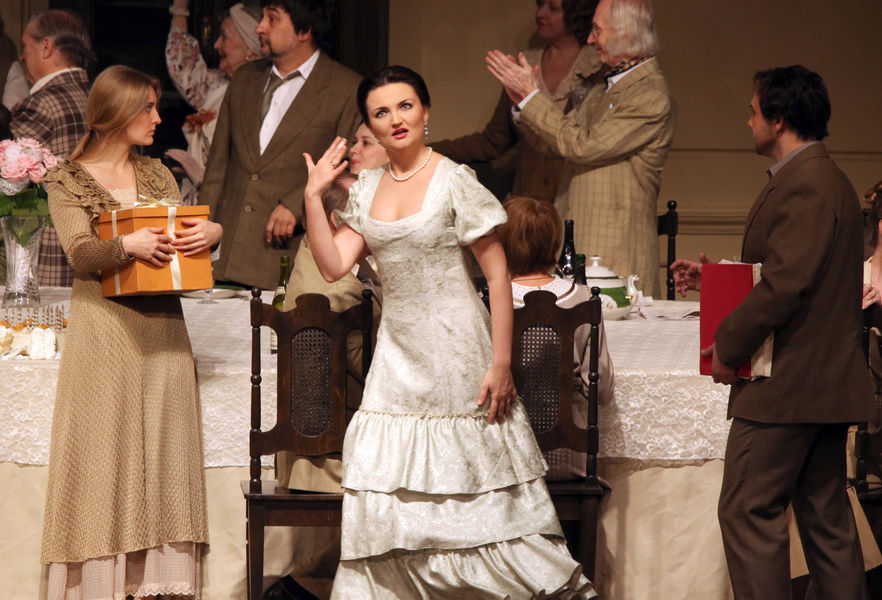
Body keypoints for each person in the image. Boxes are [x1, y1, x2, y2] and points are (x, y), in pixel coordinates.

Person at [303, 64, 596, 599]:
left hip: (460, 348)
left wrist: (501, 362)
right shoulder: (366, 188)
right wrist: (312, 196)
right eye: (381, 112)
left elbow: (497, 275)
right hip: (398, 355)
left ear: (426, 110)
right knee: (391, 483)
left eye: (405, 106)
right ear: (369, 121)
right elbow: (331, 265)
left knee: (475, 488)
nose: (396, 119)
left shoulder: (454, 177)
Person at [671, 65, 873, 600]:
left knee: (746, 509)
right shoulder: (818, 180)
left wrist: (730, 345)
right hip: (818, 384)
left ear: (778, 119)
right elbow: (795, 271)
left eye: (754, 111)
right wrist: (717, 280)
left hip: (789, 387)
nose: (748, 121)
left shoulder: (807, 186)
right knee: (825, 521)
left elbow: (787, 286)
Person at [40, 65, 222, 600]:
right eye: (147, 108)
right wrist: (127, 245)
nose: (158, 118)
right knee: (105, 455)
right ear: (117, 113)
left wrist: (208, 233)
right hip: (105, 333)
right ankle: (100, 585)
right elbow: (80, 253)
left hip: (164, 330)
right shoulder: (68, 178)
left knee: (164, 452)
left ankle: (160, 586)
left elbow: (182, 233)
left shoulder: (158, 174)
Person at [486, 0, 675, 298]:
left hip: (614, 255)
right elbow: (558, 140)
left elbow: (581, 145)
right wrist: (522, 103)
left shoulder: (649, 95)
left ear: (625, 34)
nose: (589, 39)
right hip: (578, 246)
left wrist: (533, 97)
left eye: (597, 30)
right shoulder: (603, 85)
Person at [201, 0, 361, 290]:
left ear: (304, 30)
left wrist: (297, 203)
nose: (260, 27)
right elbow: (217, 168)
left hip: (285, 256)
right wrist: (200, 234)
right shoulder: (244, 79)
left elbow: (348, 165)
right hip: (224, 253)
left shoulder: (345, 88)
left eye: (272, 19)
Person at [434, 0, 602, 203]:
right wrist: (424, 150)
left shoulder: (599, 68)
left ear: (576, 13)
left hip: (576, 199)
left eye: (553, 8)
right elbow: (493, 142)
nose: (540, 13)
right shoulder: (524, 67)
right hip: (529, 203)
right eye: (540, 5)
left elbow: (591, 142)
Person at [498, 195, 615, 480]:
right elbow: (601, 391)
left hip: (503, 460)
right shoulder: (584, 299)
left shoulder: (490, 303)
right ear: (554, 244)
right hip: (566, 461)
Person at [11, 9, 93, 288]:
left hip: (53, 249)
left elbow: (14, 182)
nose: (22, 56)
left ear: (46, 47)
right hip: (98, 247)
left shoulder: (39, 104)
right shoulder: (99, 96)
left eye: (26, 45)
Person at [165, 0, 262, 204]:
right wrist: (180, 9)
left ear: (250, 47)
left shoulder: (263, 96)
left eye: (224, 37)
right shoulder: (217, 84)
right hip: (197, 203)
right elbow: (183, 66)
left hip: (227, 207)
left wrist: (203, 176)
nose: (216, 44)